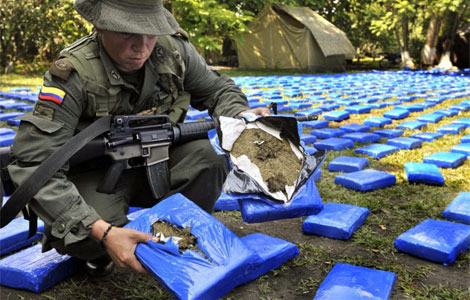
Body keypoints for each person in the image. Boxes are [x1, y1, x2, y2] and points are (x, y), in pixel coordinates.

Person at [8, 0, 269, 276]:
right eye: (127, 32)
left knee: (209, 157)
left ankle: (174, 238)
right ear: (100, 25)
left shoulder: (173, 52)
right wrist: (104, 232)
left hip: (157, 160)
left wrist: (240, 113)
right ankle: (103, 250)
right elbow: (35, 163)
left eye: (150, 32)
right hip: (96, 175)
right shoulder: (74, 74)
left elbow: (218, 89)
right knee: (83, 238)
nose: (142, 46)